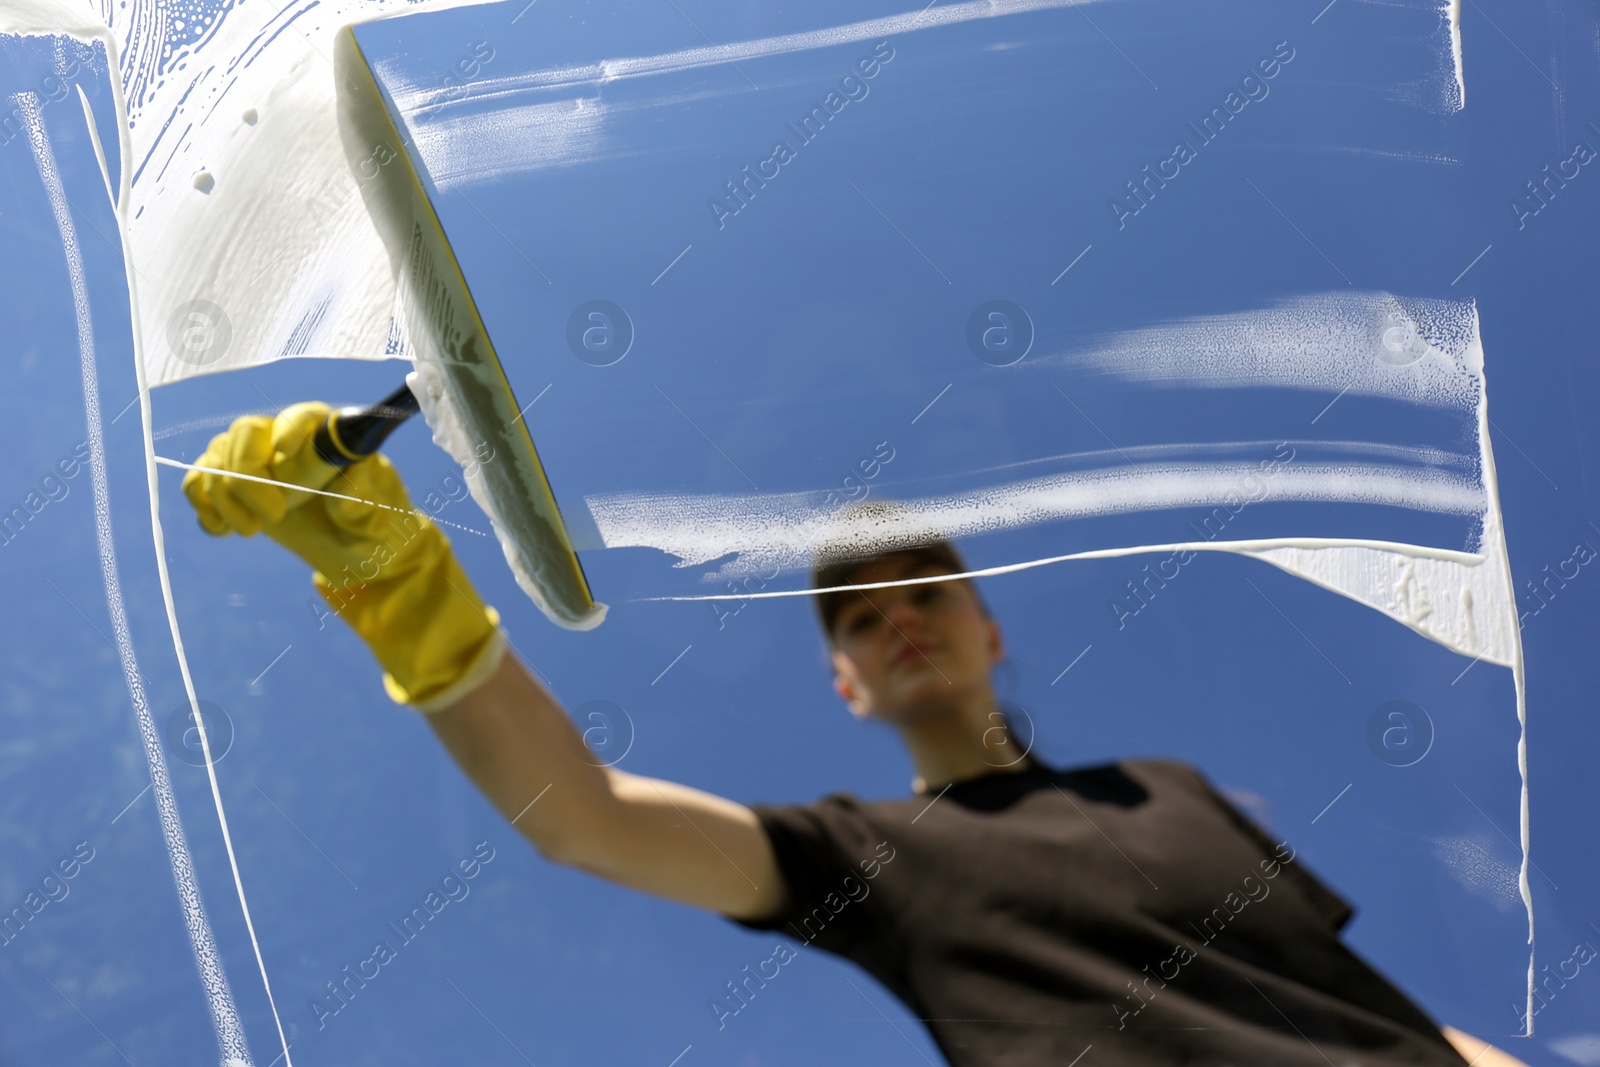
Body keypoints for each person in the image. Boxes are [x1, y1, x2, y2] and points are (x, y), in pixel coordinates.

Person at [184, 402, 1528, 1067]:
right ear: (844, 687)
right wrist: (395, 577)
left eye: (927, 594)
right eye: (860, 621)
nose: (899, 623)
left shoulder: (1167, 791)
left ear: (989, 629)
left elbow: (1393, 1018)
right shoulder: (864, 858)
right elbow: (577, 818)